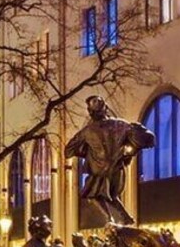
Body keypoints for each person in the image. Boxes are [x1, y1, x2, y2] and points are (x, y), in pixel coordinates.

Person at [64, 95, 155, 224]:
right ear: (105, 109)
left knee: (93, 195)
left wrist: (86, 152)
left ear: (90, 112)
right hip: (117, 169)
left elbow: (68, 151)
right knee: (111, 196)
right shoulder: (121, 125)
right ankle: (125, 217)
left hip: (99, 171)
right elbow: (145, 138)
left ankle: (110, 219)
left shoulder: (86, 131)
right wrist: (129, 152)